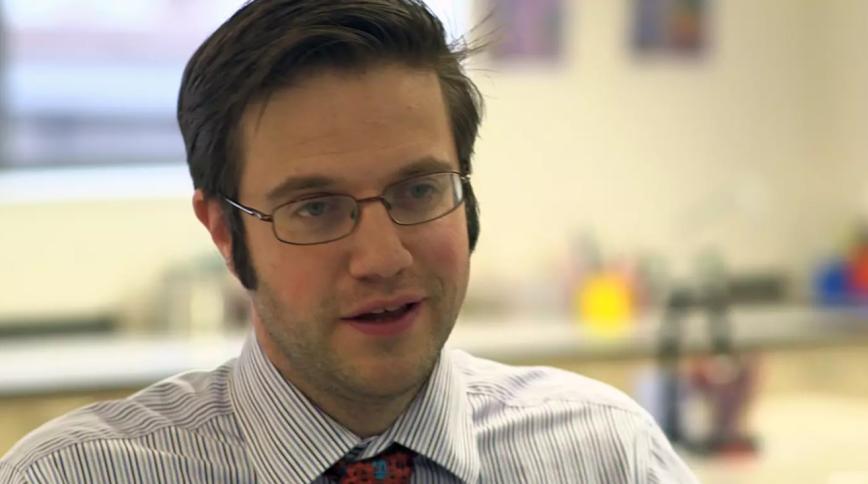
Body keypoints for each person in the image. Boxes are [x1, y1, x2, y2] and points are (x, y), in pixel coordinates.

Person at [0, 1, 698, 482]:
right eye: (316, 208)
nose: (383, 258)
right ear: (223, 230)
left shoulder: (606, 454)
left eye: (419, 190)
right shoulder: (71, 474)